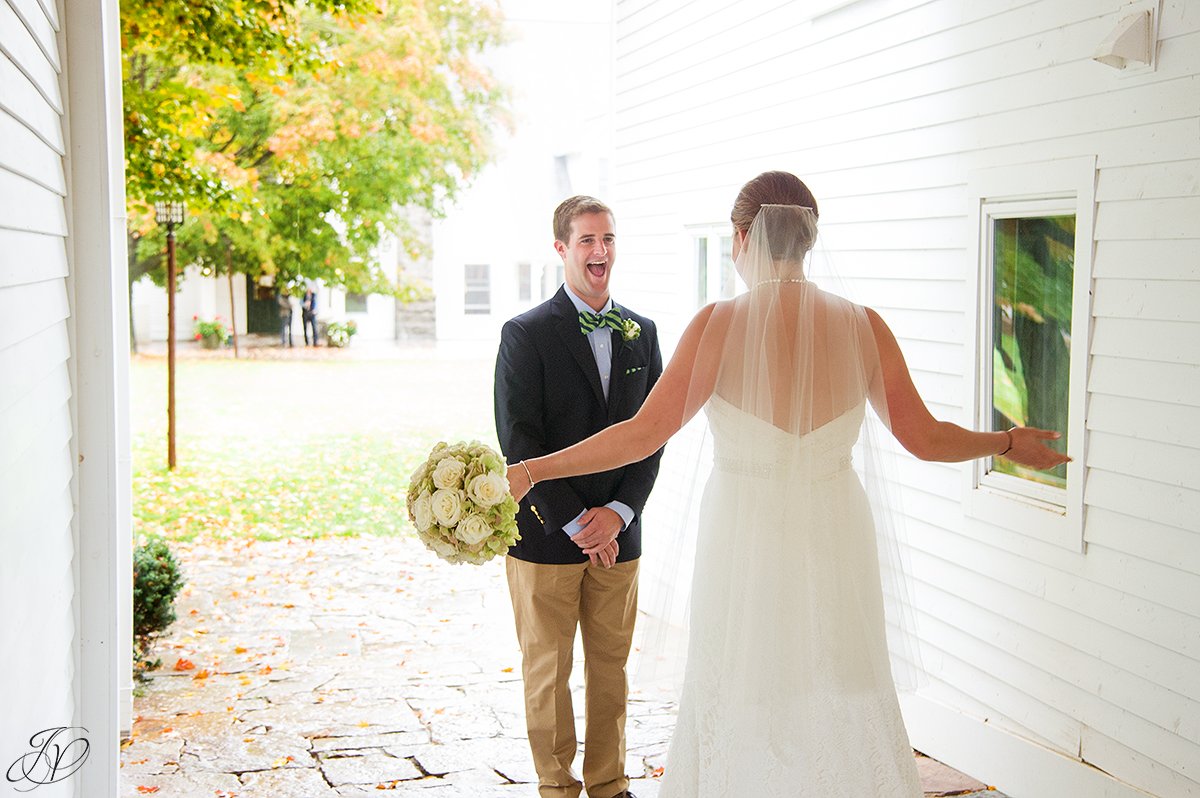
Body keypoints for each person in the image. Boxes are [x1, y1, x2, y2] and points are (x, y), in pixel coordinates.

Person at [505, 172, 1069, 795]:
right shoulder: (863, 325)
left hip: (744, 539)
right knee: (836, 684)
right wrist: (1008, 442)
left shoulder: (718, 324)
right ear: (808, 237)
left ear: (743, 237)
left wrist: (534, 469)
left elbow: (641, 434)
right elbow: (925, 438)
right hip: (835, 534)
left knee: (741, 686)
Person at [494, 195, 664, 798]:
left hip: (621, 535)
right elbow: (519, 440)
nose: (601, 251)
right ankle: (557, 788)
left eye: (609, 239)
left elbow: (653, 435)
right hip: (545, 535)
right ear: (562, 249)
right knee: (548, 672)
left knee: (611, 669)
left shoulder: (642, 333)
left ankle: (610, 784)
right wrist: (576, 523)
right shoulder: (525, 334)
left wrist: (617, 515)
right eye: (588, 241)